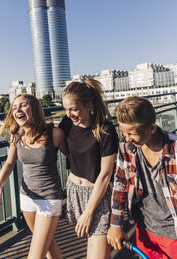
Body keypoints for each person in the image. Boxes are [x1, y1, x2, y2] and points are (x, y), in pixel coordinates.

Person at [107, 96, 177, 258]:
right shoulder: (126, 146)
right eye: (123, 131)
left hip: (175, 234)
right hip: (143, 230)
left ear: (152, 128)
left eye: (132, 133)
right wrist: (115, 224)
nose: (127, 137)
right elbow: (120, 184)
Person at [0, 94, 66, 259]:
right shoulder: (16, 136)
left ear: (34, 109)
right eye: (15, 107)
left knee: (35, 255)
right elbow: (10, 163)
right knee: (49, 247)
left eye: (23, 105)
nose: (18, 109)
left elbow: (75, 159)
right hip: (27, 198)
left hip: (49, 198)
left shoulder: (54, 133)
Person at [59, 79, 119, 259]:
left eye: (74, 109)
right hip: (74, 192)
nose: (69, 114)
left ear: (89, 104)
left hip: (97, 197)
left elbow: (106, 174)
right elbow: (58, 143)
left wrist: (88, 212)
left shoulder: (105, 130)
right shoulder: (67, 123)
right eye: (66, 109)